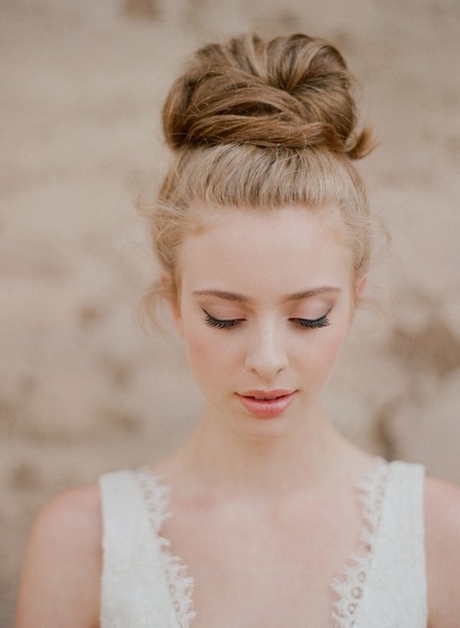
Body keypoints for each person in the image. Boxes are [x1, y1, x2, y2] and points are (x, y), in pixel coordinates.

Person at [15, 33, 460, 628]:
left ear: (356, 299)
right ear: (173, 300)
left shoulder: (440, 537)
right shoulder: (80, 543)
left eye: (309, 317)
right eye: (224, 318)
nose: (268, 359)